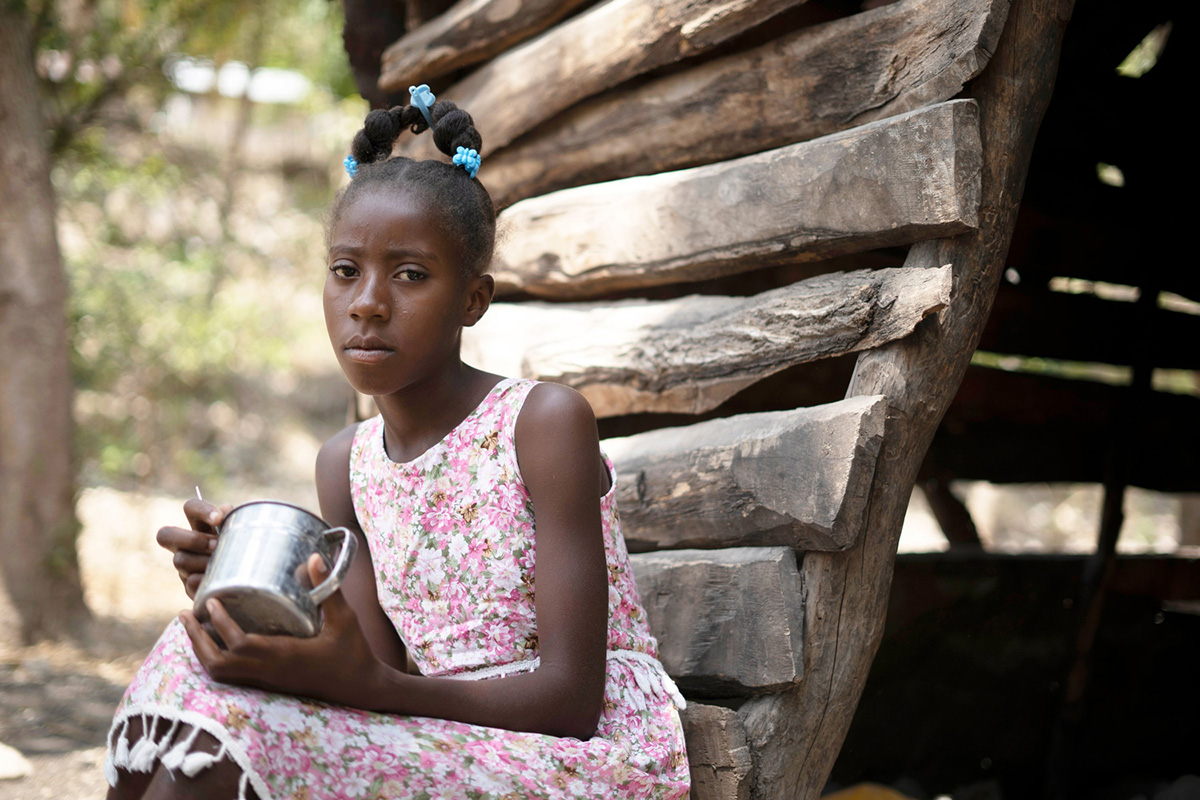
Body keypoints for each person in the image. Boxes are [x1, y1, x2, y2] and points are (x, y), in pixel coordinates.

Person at [103, 87, 691, 800]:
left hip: (583, 758)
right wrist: (246, 590)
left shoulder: (541, 423)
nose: (368, 302)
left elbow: (568, 703)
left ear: (473, 299)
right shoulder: (344, 464)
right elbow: (372, 671)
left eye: (410, 275)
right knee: (190, 682)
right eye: (345, 271)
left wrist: (371, 685)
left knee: (225, 748)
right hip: (436, 739)